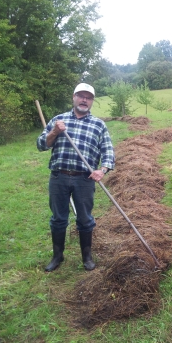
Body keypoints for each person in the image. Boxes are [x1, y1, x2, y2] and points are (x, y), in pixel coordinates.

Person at [37, 83, 115, 272]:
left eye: (88, 97)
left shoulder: (98, 124)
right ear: (74, 97)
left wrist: (102, 170)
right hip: (59, 177)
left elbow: (108, 151)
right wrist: (54, 132)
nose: (84, 100)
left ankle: (87, 257)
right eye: (81, 96)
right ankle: (57, 256)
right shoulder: (59, 120)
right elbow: (41, 145)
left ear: (92, 101)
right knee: (58, 218)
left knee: (85, 219)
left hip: (84, 179)